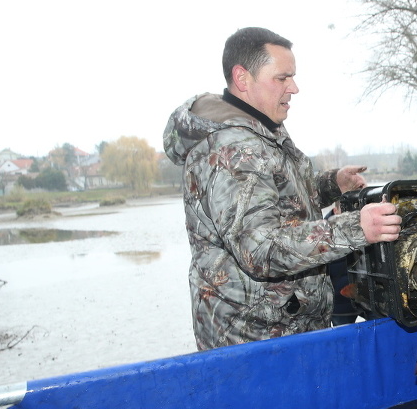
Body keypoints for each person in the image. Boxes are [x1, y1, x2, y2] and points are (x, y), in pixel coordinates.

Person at [163, 27, 401, 350]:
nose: (295, 88)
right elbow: (261, 250)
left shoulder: (261, 129)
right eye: (282, 78)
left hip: (289, 327)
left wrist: (332, 184)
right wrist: (355, 228)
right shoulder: (232, 150)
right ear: (242, 78)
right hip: (255, 340)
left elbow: (279, 201)